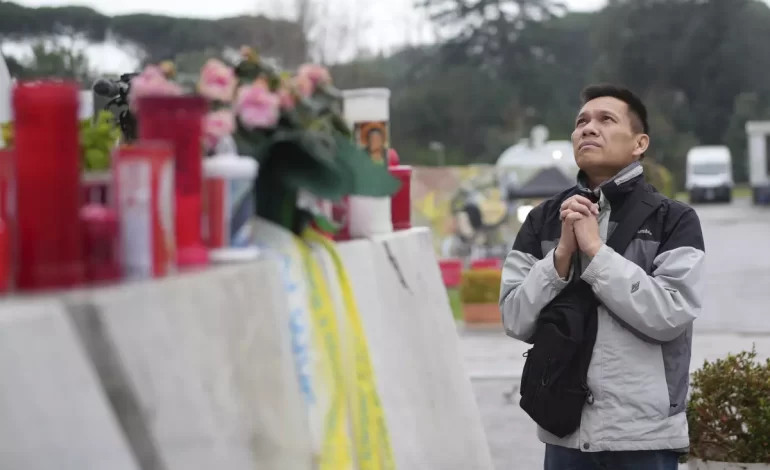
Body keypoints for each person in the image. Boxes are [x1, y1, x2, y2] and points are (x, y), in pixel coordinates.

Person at [499, 84, 705, 470]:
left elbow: (671, 314)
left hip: (644, 437)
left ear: (639, 142)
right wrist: (560, 257)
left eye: (605, 120)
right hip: (564, 433)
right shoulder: (544, 219)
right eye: (581, 122)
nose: (588, 129)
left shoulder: (674, 219)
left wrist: (595, 251)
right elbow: (514, 318)